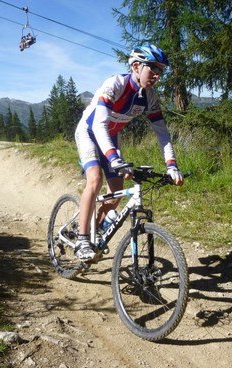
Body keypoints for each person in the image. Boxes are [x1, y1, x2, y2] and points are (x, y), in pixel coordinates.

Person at [73, 44, 184, 260]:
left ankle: (95, 227)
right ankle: (82, 238)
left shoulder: (149, 97)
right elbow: (98, 125)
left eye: (161, 71)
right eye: (153, 69)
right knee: (95, 180)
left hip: (110, 138)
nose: (157, 76)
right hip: (89, 131)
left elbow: (162, 133)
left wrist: (171, 164)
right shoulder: (115, 84)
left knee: (115, 192)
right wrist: (113, 158)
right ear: (136, 66)